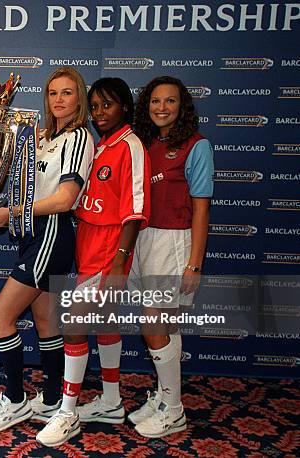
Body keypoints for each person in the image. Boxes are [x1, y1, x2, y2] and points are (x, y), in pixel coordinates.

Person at [0, 66, 94, 434]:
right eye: (53, 93)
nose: (59, 100)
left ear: (80, 99)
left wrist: (12, 211)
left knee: (0, 316)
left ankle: (14, 400)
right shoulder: (43, 137)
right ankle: (51, 397)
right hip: (33, 234)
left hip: (51, 234)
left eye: (67, 93)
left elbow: (64, 199)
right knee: (45, 322)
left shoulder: (78, 138)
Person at [36, 77, 150, 447]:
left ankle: (67, 412)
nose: (100, 112)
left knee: (72, 326)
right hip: (88, 245)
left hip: (109, 250)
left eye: (109, 105)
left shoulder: (130, 146)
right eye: (96, 106)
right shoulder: (102, 146)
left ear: (126, 108)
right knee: (104, 326)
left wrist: (120, 261)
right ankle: (113, 401)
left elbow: (135, 209)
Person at [128, 75, 214, 438]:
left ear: (183, 106)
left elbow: (201, 209)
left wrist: (194, 262)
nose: (162, 108)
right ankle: (166, 397)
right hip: (142, 238)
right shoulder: (145, 144)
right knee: (166, 324)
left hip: (173, 242)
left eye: (171, 101)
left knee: (153, 324)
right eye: (155, 102)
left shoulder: (197, 146)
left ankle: (174, 410)